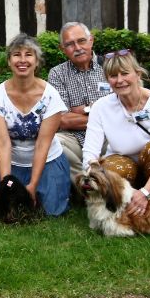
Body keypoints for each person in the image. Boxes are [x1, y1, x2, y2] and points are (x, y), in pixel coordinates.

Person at [0, 33, 71, 216]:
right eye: (17, 54)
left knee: (49, 211)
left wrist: (33, 184)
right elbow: (3, 143)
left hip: (46, 160)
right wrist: (6, 185)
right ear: (9, 61)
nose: (22, 60)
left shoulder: (51, 96)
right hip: (6, 161)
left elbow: (43, 143)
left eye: (29, 54)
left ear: (37, 61)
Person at [82, 49, 150, 212]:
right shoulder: (100, 107)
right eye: (113, 76)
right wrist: (94, 170)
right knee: (111, 167)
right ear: (108, 80)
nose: (120, 80)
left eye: (124, 73)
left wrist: (146, 191)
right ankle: (121, 211)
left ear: (138, 74)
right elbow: (90, 152)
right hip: (123, 165)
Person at [47, 22, 111, 180]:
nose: (77, 48)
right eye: (70, 44)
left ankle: (105, 186)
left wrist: (80, 110)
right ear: (63, 49)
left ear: (91, 40)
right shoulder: (57, 74)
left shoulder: (110, 66)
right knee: (50, 143)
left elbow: (122, 111)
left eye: (81, 41)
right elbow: (62, 119)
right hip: (75, 138)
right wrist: (99, 112)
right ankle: (86, 185)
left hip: (109, 136)